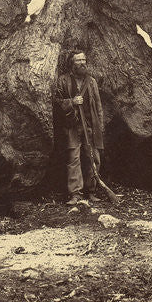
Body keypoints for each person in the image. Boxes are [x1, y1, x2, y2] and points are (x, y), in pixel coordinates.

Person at [54, 50, 104, 207]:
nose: (82, 63)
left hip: (90, 126)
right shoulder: (63, 81)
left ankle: (92, 191)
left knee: (93, 158)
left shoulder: (92, 82)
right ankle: (75, 194)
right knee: (73, 159)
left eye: (84, 59)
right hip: (72, 127)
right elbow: (56, 101)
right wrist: (71, 102)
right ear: (72, 64)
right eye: (78, 60)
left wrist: (100, 126)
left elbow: (98, 105)